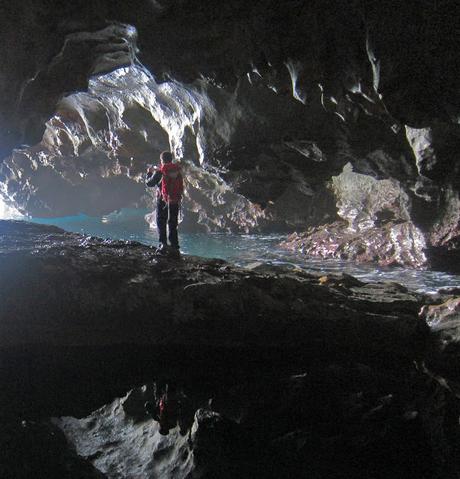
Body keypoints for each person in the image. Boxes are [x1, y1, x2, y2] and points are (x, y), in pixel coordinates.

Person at [146, 151, 183, 255]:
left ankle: (163, 244)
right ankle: (175, 246)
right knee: (173, 222)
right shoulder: (177, 171)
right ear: (171, 159)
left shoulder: (160, 172)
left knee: (161, 221)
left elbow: (149, 183)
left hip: (163, 200)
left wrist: (149, 173)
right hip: (175, 200)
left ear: (162, 160)